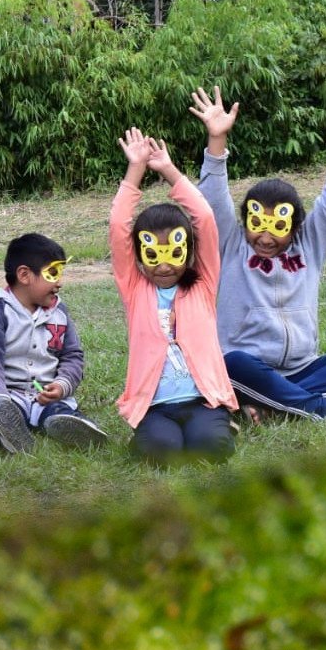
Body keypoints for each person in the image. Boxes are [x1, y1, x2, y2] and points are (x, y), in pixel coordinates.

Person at [192, 86, 326, 420]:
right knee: (232, 363)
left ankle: (272, 406)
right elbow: (212, 195)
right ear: (245, 221)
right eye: (257, 224)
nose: (265, 237)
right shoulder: (231, 243)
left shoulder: (310, 244)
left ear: (296, 227)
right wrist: (217, 142)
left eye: (277, 228)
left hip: (304, 369)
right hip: (245, 370)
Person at [111, 129, 238, 463]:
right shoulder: (135, 288)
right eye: (154, 255)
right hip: (155, 407)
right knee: (162, 451)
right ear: (139, 255)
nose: (165, 265)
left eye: (174, 253)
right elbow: (118, 225)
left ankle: (223, 425)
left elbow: (205, 219)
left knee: (210, 448)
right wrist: (135, 169)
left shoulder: (203, 283)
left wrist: (169, 170)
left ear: (188, 250)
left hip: (203, 402)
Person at [0, 233, 107, 454]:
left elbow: (72, 356)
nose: (59, 283)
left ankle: (75, 427)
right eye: (52, 273)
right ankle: (8, 430)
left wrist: (62, 385)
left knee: (56, 410)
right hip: (7, 393)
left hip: (43, 397)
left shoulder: (59, 313)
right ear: (24, 275)